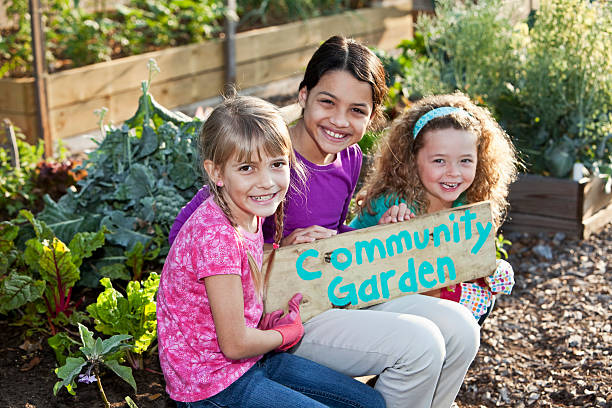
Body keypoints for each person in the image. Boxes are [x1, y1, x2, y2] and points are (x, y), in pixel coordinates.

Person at [168, 36, 479, 408]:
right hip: (282, 311)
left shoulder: (348, 158)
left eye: (357, 110)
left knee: (462, 329)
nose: (339, 121)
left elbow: (335, 236)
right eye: (327, 102)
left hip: (334, 289)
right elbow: (185, 239)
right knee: (420, 343)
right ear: (303, 96)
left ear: (372, 115)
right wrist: (276, 248)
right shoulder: (266, 159)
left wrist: (384, 232)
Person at [156, 95, 386, 408]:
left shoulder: (247, 211)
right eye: (247, 168)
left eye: (277, 164)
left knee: (370, 403)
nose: (266, 182)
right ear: (216, 173)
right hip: (211, 385)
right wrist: (286, 333)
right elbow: (235, 344)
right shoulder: (216, 236)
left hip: (250, 360)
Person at [350, 92, 518, 323]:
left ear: (480, 160)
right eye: (439, 160)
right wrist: (386, 234)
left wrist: (490, 267)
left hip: (423, 304)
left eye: (465, 160)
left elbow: (458, 263)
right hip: (369, 309)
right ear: (412, 160)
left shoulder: (466, 203)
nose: (453, 172)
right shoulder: (394, 205)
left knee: (480, 296)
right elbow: (385, 278)